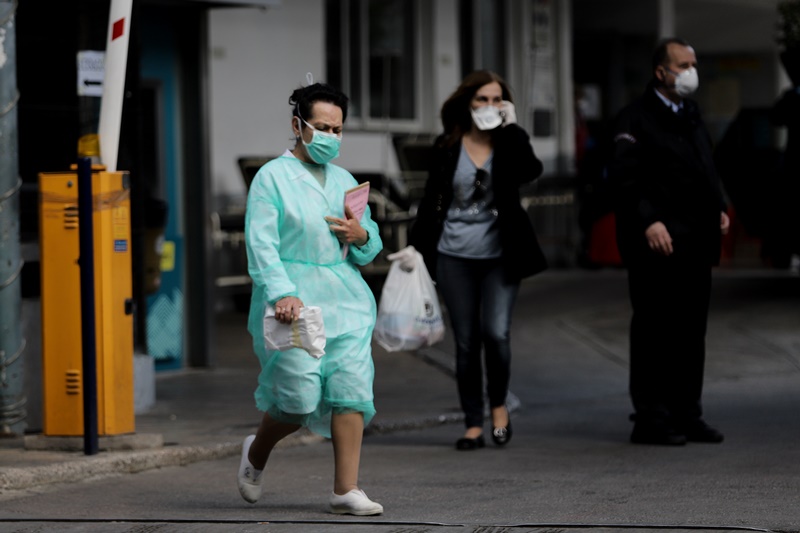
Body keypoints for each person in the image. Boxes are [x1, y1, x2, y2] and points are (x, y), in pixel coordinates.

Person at [238, 82, 385, 515]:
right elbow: (261, 244)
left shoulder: (344, 181)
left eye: (338, 129)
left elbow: (368, 243)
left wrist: (362, 235)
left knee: (351, 387)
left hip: (346, 299)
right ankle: (256, 452)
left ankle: (346, 489)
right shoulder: (271, 178)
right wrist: (283, 292)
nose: (331, 137)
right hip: (294, 299)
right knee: (297, 396)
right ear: (297, 125)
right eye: (322, 126)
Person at [409, 70, 547, 451]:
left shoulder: (509, 142)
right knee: (467, 342)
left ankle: (499, 406)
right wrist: (417, 247)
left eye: (496, 100)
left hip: (501, 254)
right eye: (481, 100)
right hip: (454, 254)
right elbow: (433, 198)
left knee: (496, 333)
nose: (489, 107)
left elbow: (531, 171)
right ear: (467, 104)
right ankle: (473, 422)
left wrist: (514, 130)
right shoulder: (448, 144)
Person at [608, 38, 730, 446]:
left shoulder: (691, 114)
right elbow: (626, 180)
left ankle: (686, 413)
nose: (691, 71)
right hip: (657, 244)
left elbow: (706, 167)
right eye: (683, 64)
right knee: (654, 330)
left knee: (691, 331)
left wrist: (720, 205)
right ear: (661, 72)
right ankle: (651, 418)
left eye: (693, 63)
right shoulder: (634, 119)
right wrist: (649, 221)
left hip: (696, 241)